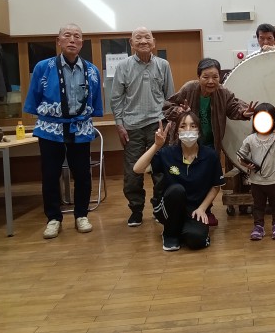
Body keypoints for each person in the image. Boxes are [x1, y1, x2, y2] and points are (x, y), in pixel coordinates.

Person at [23, 23, 103, 239]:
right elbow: (34, 97)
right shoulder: (43, 67)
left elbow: (95, 100)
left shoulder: (92, 70)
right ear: (58, 41)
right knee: (50, 175)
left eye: (77, 36)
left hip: (80, 128)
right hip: (50, 129)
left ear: (82, 43)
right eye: (67, 35)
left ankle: (81, 215)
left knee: (83, 175)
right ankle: (53, 218)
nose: (72, 40)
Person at [163, 58, 257, 223]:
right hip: (186, 142)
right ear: (198, 77)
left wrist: (243, 113)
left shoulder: (223, 93)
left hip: (210, 144)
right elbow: (167, 106)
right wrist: (179, 111)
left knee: (206, 178)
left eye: (215, 77)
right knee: (183, 176)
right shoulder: (189, 89)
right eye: (206, 77)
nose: (211, 81)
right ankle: (181, 209)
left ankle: (206, 210)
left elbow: (234, 107)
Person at [110, 27, 174, 228]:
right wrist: (119, 125)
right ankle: (136, 210)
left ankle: (158, 207)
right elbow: (116, 98)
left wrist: (170, 124)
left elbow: (170, 97)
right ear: (131, 43)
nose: (143, 41)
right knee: (132, 173)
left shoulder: (163, 65)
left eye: (147, 37)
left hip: (158, 124)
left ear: (153, 42)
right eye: (138, 38)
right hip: (132, 127)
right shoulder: (123, 66)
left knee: (161, 171)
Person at [133, 112, 223, 251]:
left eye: (193, 126)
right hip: (168, 207)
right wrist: (157, 145)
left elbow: (216, 186)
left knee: (196, 240)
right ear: (177, 132)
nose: (188, 130)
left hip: (194, 210)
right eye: (183, 126)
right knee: (177, 190)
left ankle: (182, 228)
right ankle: (170, 234)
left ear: (199, 131)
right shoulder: (167, 154)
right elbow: (138, 169)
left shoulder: (210, 155)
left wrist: (202, 208)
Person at [238, 103, 275, 240]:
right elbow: (240, 155)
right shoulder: (250, 139)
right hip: (256, 181)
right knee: (258, 205)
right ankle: (258, 226)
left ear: (274, 120)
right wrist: (244, 163)